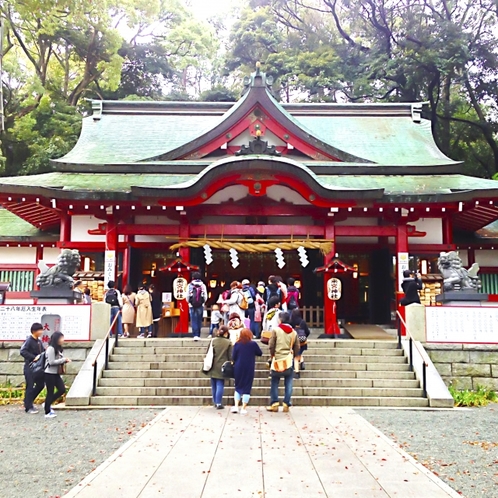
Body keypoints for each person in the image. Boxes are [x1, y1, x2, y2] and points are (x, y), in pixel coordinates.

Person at [266, 311, 300, 413]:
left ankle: (274, 403)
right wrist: (293, 354)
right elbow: (297, 346)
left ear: (280, 319)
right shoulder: (293, 332)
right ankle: (286, 403)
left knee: (274, 382)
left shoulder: (276, 330)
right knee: (289, 382)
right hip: (288, 360)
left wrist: (272, 355)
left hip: (277, 358)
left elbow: (271, 345)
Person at [231, 328, 263, 415]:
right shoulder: (253, 344)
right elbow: (260, 353)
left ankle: (236, 406)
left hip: (238, 367)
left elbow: (233, 357)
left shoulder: (237, 344)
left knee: (238, 386)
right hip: (249, 367)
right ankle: (243, 408)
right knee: (247, 387)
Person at [44, 331, 71, 419]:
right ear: (56, 339)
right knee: (50, 391)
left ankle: (47, 403)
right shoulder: (51, 348)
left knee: (62, 389)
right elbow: (51, 362)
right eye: (61, 338)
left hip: (56, 373)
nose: (63, 340)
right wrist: (63, 360)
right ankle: (47, 411)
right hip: (49, 373)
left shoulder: (58, 348)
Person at [20, 323, 46, 414]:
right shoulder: (29, 340)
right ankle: (28, 407)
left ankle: (28, 401)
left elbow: (43, 352)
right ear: (34, 331)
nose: (42, 332)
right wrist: (33, 357)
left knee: (40, 385)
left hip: (38, 368)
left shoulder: (39, 341)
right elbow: (23, 351)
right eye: (40, 330)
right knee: (30, 386)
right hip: (30, 367)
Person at [205, 325, 232, 409]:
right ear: (226, 333)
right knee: (220, 384)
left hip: (212, 364)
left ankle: (215, 402)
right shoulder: (228, 342)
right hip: (222, 365)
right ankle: (219, 403)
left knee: (213, 384)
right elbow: (230, 356)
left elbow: (207, 352)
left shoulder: (213, 341)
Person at [188, 272, 208, 341]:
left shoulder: (190, 285)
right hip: (200, 305)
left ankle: (195, 335)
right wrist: (202, 302)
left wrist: (189, 302)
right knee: (199, 320)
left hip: (192, 305)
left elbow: (187, 296)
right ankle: (198, 334)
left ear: (193, 277)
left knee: (193, 320)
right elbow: (205, 296)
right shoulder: (203, 285)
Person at [290, 308, 310, 374]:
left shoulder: (291, 322)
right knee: (299, 353)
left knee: (296, 356)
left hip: (294, 341)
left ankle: (297, 371)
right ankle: (301, 361)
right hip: (302, 341)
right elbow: (307, 331)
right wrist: (304, 337)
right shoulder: (303, 322)